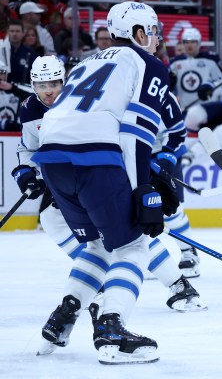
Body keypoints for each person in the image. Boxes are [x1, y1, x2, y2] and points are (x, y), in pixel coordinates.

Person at [24, 2, 171, 364]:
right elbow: (135, 135)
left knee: (97, 249)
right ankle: (112, 328)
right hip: (93, 160)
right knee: (133, 248)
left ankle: (63, 317)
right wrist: (143, 190)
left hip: (53, 159)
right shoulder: (149, 64)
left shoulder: (86, 63)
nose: (157, 39)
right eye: (152, 31)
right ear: (139, 34)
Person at [16, 56, 206, 313]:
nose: (48, 90)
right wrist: (27, 172)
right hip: (67, 180)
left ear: (65, 80)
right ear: (32, 85)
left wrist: (139, 171)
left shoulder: (79, 98)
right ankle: (99, 279)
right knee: (51, 219)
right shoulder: (29, 109)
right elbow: (28, 148)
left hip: (98, 174)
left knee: (130, 233)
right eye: (41, 85)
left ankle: (177, 283)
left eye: (53, 83)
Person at [169, 27, 222, 111]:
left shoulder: (211, 59)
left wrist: (210, 85)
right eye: (186, 42)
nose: (189, 45)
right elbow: (167, 86)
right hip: (184, 108)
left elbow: (221, 81)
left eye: (193, 42)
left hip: (207, 107)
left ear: (199, 43)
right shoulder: (175, 62)